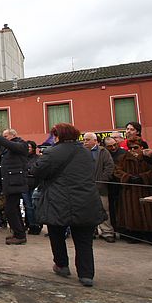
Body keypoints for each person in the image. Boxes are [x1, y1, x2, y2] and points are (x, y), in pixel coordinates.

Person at [32, 123, 105, 287]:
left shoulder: (52, 152)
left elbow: (37, 171)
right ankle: (86, 274)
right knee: (84, 240)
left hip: (59, 199)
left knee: (56, 234)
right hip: (86, 199)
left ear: (58, 136)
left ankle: (61, 265)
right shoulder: (85, 152)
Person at [113, 137, 152, 244]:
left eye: (135, 148)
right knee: (131, 211)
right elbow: (117, 171)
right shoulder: (123, 158)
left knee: (148, 212)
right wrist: (128, 177)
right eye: (130, 148)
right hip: (129, 190)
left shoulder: (148, 158)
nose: (132, 150)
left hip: (145, 189)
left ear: (141, 147)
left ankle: (149, 234)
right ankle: (133, 234)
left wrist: (143, 177)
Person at [83, 132, 116, 243]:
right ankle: (91, 231)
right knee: (87, 210)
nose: (85, 142)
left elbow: (109, 167)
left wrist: (102, 181)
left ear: (95, 141)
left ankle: (107, 232)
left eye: (87, 140)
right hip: (85, 187)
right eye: (84, 139)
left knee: (104, 209)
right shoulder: (81, 152)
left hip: (101, 187)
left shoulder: (102, 152)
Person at [22, 140, 41, 235]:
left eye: (29, 147)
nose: (27, 149)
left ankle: (37, 224)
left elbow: (36, 170)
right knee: (28, 206)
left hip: (35, 184)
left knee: (35, 206)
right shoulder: (22, 158)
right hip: (25, 185)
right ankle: (31, 224)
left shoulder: (38, 158)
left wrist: (29, 171)